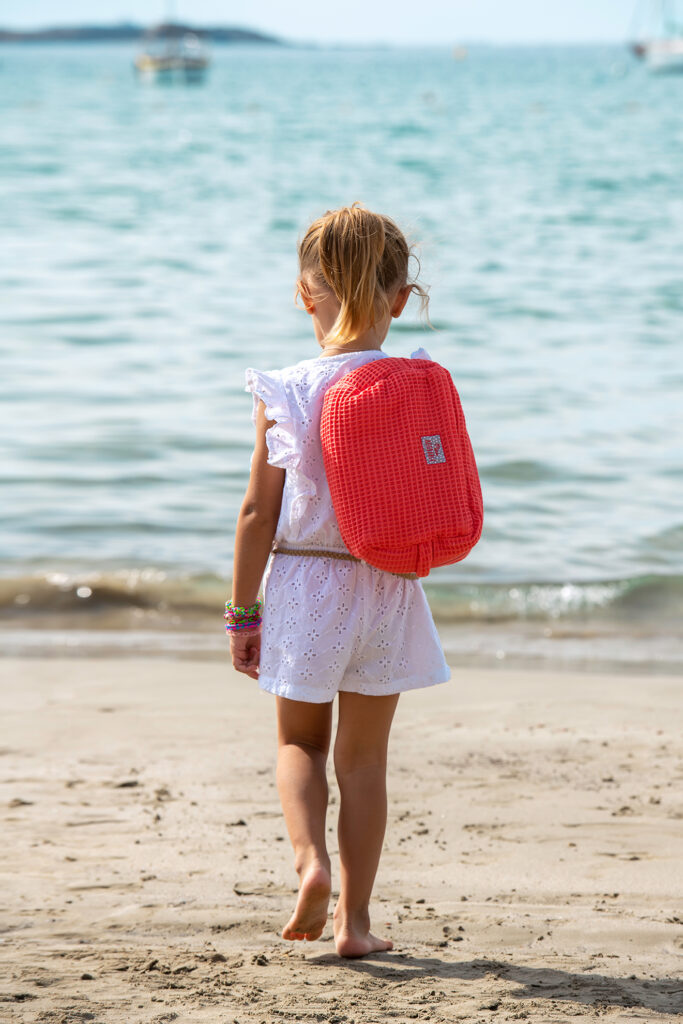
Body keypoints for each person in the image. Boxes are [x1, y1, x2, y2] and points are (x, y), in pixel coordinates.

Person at [226, 203, 450, 958]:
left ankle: (309, 862)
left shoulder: (286, 388)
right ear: (399, 298)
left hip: (305, 585)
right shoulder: (413, 380)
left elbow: (259, 512)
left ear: (302, 293)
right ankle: (355, 926)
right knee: (363, 761)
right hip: (387, 583)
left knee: (299, 743)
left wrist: (242, 612)